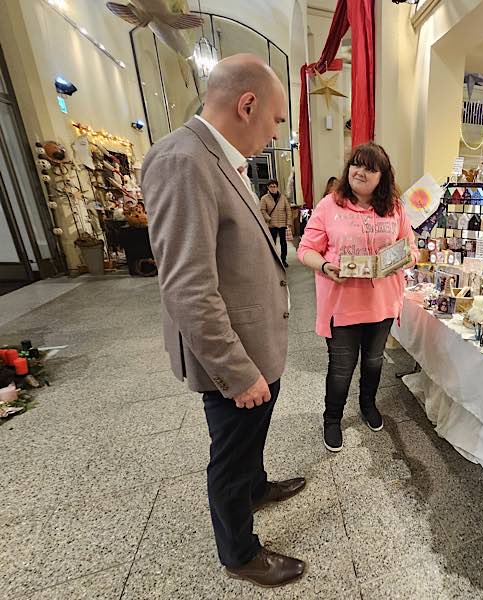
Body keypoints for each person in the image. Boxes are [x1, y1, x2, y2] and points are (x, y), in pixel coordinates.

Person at [142, 54, 305, 589]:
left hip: (253, 340)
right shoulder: (183, 160)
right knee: (231, 454)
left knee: (248, 441)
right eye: (276, 119)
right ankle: (240, 553)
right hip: (233, 355)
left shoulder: (216, 158)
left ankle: (255, 487)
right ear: (247, 104)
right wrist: (237, 371)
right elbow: (188, 286)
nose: (275, 131)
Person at [297, 143, 416, 452]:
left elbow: (411, 248)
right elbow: (305, 249)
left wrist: (400, 260)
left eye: (370, 169)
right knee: (341, 368)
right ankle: (332, 419)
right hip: (342, 305)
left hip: (382, 304)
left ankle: (368, 404)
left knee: (374, 362)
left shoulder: (394, 208)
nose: (360, 172)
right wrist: (326, 266)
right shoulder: (329, 205)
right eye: (356, 165)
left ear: (383, 177)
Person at [260, 179, 292, 267]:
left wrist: (289, 222)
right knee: (272, 243)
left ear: (277, 187)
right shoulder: (264, 198)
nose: (273, 188)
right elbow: (262, 210)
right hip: (271, 225)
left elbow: (288, 210)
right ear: (268, 187)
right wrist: (268, 219)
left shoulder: (283, 197)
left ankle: (283, 259)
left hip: (282, 224)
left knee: (283, 243)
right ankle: (274, 260)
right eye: (271, 186)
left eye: (275, 186)